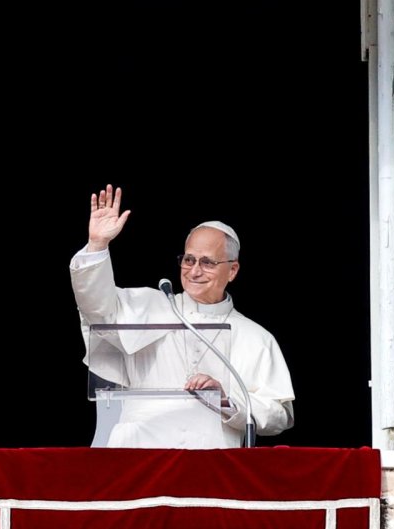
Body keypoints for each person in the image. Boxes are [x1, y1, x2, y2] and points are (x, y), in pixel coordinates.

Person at [70, 184, 295, 448]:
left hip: (213, 465)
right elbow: (97, 310)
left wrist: (226, 399)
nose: (194, 271)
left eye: (207, 262)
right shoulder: (151, 307)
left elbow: (278, 416)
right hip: (141, 456)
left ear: (232, 270)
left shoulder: (256, 337)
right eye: (188, 260)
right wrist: (97, 245)